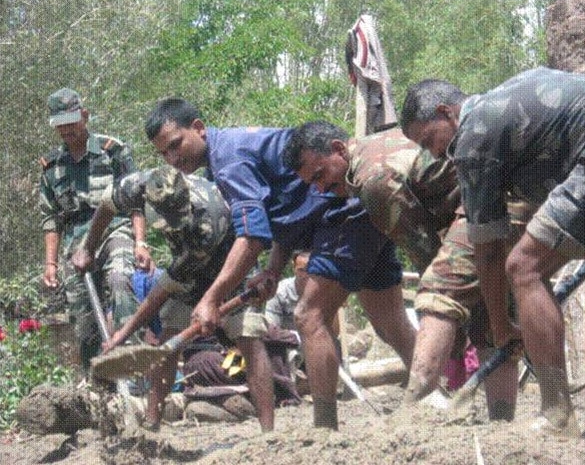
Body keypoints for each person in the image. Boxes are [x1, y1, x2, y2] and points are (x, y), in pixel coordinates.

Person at [143, 98, 416, 430]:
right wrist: (273, 269)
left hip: (342, 213)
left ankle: (325, 428)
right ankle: (433, 394)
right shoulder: (226, 156)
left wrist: (212, 298)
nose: (173, 159)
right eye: (164, 154)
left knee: (309, 316)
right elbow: (285, 213)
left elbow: (252, 237)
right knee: (389, 321)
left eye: (176, 145)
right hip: (348, 213)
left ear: (198, 128)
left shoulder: (229, 160)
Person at [400, 67, 585, 436]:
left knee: (524, 267)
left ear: (447, 113)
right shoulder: (504, 104)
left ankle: (557, 412)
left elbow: (488, 250)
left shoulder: (473, 134)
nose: (433, 153)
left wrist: (499, 326)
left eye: (429, 140)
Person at [283, 121, 519, 420]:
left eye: (320, 175)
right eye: (311, 184)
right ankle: (504, 422)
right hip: (495, 203)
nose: (320, 188)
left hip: (482, 208)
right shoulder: (374, 149)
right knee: (487, 315)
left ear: (338, 149)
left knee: (436, 293)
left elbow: (423, 250)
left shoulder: (374, 180)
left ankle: (417, 406)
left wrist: (452, 317)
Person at [72, 166, 275, 432]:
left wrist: (123, 333)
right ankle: (152, 423)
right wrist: (88, 247)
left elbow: (163, 290)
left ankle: (268, 434)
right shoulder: (137, 185)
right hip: (186, 268)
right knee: (168, 340)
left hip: (232, 268)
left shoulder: (207, 219)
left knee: (248, 336)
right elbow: (106, 205)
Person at [39, 88, 149, 374]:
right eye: (59, 123)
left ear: (84, 116)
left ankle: (133, 369)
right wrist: (50, 263)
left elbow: (136, 200)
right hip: (75, 243)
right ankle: (97, 384)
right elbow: (50, 218)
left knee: (120, 280)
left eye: (71, 120)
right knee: (83, 319)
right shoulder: (51, 167)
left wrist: (141, 243)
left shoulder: (113, 150)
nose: (66, 128)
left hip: (115, 230)